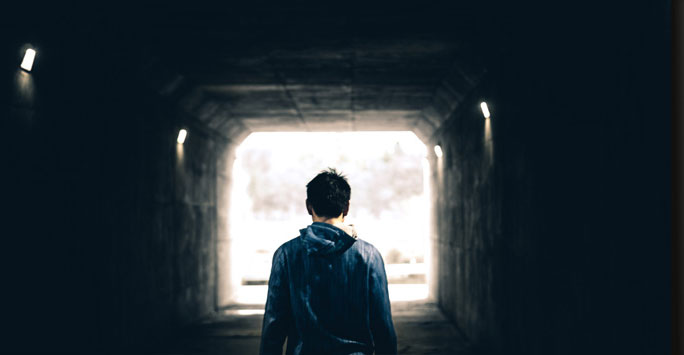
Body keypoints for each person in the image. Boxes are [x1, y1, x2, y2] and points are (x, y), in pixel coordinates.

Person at [260, 168, 397, 355]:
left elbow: (274, 325)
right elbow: (382, 327)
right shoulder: (369, 255)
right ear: (346, 207)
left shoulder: (286, 254)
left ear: (308, 206)